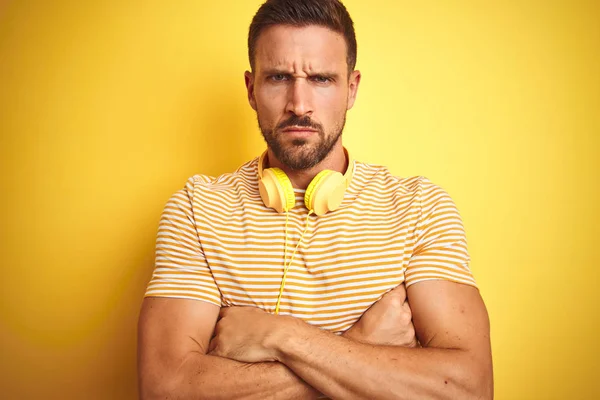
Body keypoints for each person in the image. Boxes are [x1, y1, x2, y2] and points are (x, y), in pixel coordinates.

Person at [138, 0, 493, 399]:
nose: (299, 104)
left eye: (321, 79)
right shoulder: (196, 208)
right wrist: (362, 342)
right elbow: (166, 389)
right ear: (251, 89)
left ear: (351, 88)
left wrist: (280, 336)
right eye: (277, 78)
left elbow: (467, 389)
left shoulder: (420, 208)